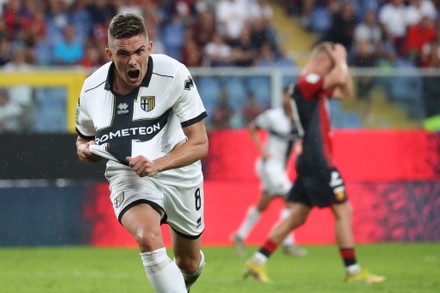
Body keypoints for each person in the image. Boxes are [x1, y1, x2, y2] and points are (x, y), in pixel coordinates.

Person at [75, 13, 208, 293]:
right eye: (123, 54)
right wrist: (85, 151)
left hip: (178, 171)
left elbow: (199, 143)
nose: (133, 61)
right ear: (110, 53)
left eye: (138, 52)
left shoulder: (174, 74)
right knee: (148, 237)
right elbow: (83, 138)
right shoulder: (91, 89)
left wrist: (158, 164)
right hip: (128, 175)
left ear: (149, 47)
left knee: (188, 263)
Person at [244, 42, 385, 284]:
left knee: (297, 216)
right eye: (329, 65)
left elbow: (346, 91)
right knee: (344, 211)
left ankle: (257, 261)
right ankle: (353, 271)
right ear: (321, 61)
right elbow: (339, 76)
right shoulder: (307, 80)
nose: (332, 70)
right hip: (319, 159)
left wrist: (341, 65)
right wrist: (341, 59)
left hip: (308, 159)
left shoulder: (313, 88)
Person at [232, 88, 307, 258]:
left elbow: (300, 140)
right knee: (291, 201)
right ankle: (288, 243)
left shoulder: (298, 119)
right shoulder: (273, 116)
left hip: (280, 168)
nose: (291, 99)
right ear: (283, 96)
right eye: (288, 95)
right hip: (269, 166)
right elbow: (252, 128)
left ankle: (240, 235)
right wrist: (261, 150)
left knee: (264, 203)